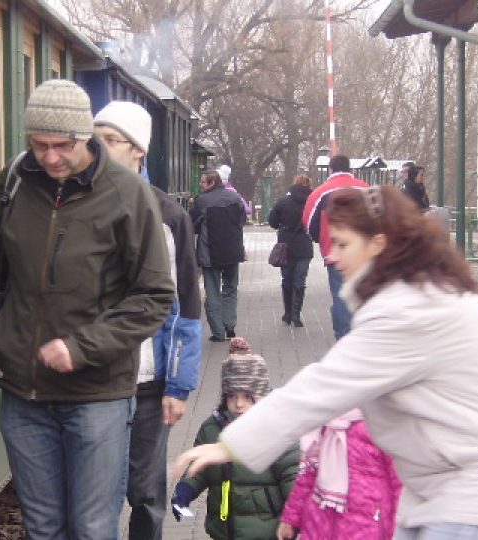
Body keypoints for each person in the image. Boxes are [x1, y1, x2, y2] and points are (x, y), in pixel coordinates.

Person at [173, 185, 478, 540]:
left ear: (378, 244)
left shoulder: (412, 308)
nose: (331, 255)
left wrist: (232, 444)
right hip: (441, 479)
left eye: (342, 243)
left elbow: (322, 387)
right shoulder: (412, 292)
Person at [0, 80, 175, 539]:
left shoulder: (127, 194)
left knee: (93, 527)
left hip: (97, 394)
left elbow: (154, 296)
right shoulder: (15, 182)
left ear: (85, 138)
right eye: (40, 145)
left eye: (63, 146)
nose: (51, 157)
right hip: (24, 392)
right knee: (42, 527)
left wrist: (82, 347)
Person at [93, 100, 203, 540]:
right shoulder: (79, 207)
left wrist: (178, 384)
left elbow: (185, 306)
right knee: (95, 492)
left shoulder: (168, 216)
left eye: (109, 140)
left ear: (138, 151)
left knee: (146, 491)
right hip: (94, 379)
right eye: (93, 139)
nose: (97, 149)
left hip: (148, 381)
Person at [170, 337, 299, 539]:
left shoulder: (278, 429)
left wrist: (294, 519)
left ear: (261, 396)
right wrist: (185, 490)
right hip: (223, 529)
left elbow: (293, 476)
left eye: (247, 397)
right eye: (232, 396)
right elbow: (202, 468)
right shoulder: (213, 427)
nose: (239, 404)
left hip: (267, 531)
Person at [276, 409, 402, 540]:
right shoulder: (323, 426)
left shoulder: (381, 424)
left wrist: (401, 530)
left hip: (367, 524)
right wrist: (290, 518)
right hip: (319, 521)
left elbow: (401, 482)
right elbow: (308, 475)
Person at [302, 154, 368, 339]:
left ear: (331, 169)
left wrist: (320, 239)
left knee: (341, 295)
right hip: (364, 252)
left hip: (335, 252)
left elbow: (309, 223)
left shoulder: (321, 192)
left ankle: (345, 337)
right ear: (350, 169)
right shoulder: (365, 189)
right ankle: (363, 334)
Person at [190, 169, 247, 342]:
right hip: (233, 253)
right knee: (230, 290)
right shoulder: (236, 198)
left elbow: (191, 225)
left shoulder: (202, 202)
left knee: (213, 292)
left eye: (202, 181)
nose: (200, 184)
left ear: (212, 183)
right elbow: (242, 221)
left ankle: (218, 332)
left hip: (210, 255)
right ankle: (230, 326)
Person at [267, 174, 314, 327]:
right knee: (300, 281)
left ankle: (287, 314)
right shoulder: (312, 202)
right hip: (304, 246)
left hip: (285, 246)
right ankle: (296, 315)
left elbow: (272, 222)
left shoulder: (283, 201)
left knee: (287, 280)